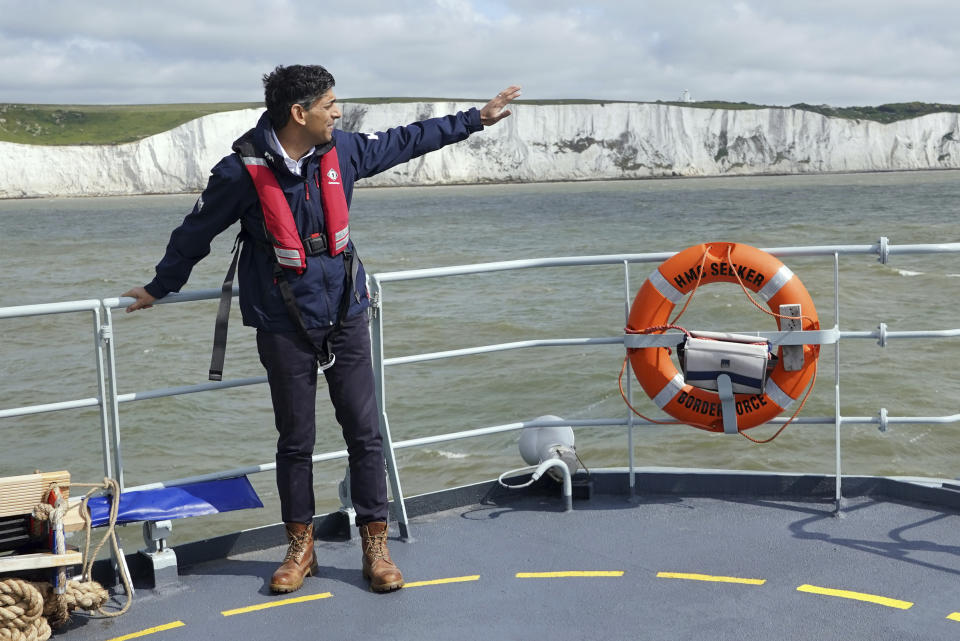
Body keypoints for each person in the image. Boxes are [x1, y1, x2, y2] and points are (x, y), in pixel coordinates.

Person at [122, 64, 519, 594]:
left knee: (364, 432)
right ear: (298, 112)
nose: (337, 112)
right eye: (330, 104)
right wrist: (160, 286)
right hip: (282, 322)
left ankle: (374, 546)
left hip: (346, 313)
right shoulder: (240, 172)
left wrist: (477, 119)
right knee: (296, 440)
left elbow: (407, 140)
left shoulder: (345, 152)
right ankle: (299, 546)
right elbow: (196, 231)